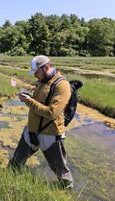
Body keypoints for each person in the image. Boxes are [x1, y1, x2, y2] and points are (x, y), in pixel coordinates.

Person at [8, 55, 73, 189]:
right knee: (15, 162)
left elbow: (51, 113)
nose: (35, 76)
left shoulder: (62, 85)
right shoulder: (41, 81)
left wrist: (28, 101)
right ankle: (9, 184)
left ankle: (66, 191)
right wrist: (28, 96)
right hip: (31, 130)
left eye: (36, 72)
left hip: (50, 135)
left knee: (61, 171)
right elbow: (38, 102)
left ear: (46, 68)